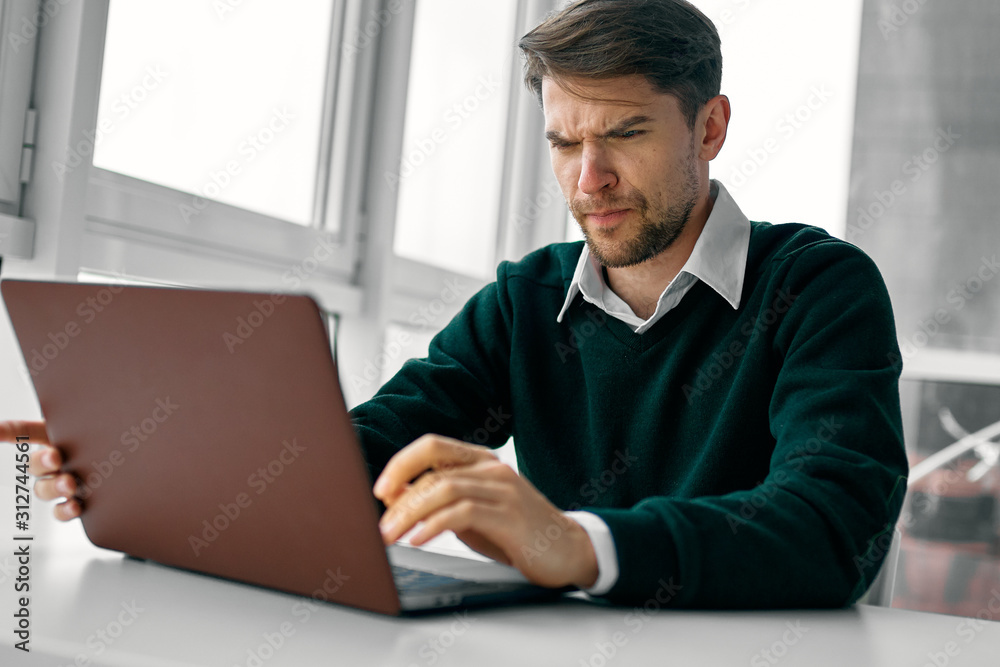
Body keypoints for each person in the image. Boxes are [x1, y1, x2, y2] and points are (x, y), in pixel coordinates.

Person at [5, 0, 907, 608]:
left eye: (624, 134)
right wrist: (157, 469)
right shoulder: (526, 298)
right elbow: (366, 450)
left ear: (709, 126)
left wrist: (578, 543)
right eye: (564, 142)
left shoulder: (818, 287)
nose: (587, 180)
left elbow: (832, 526)